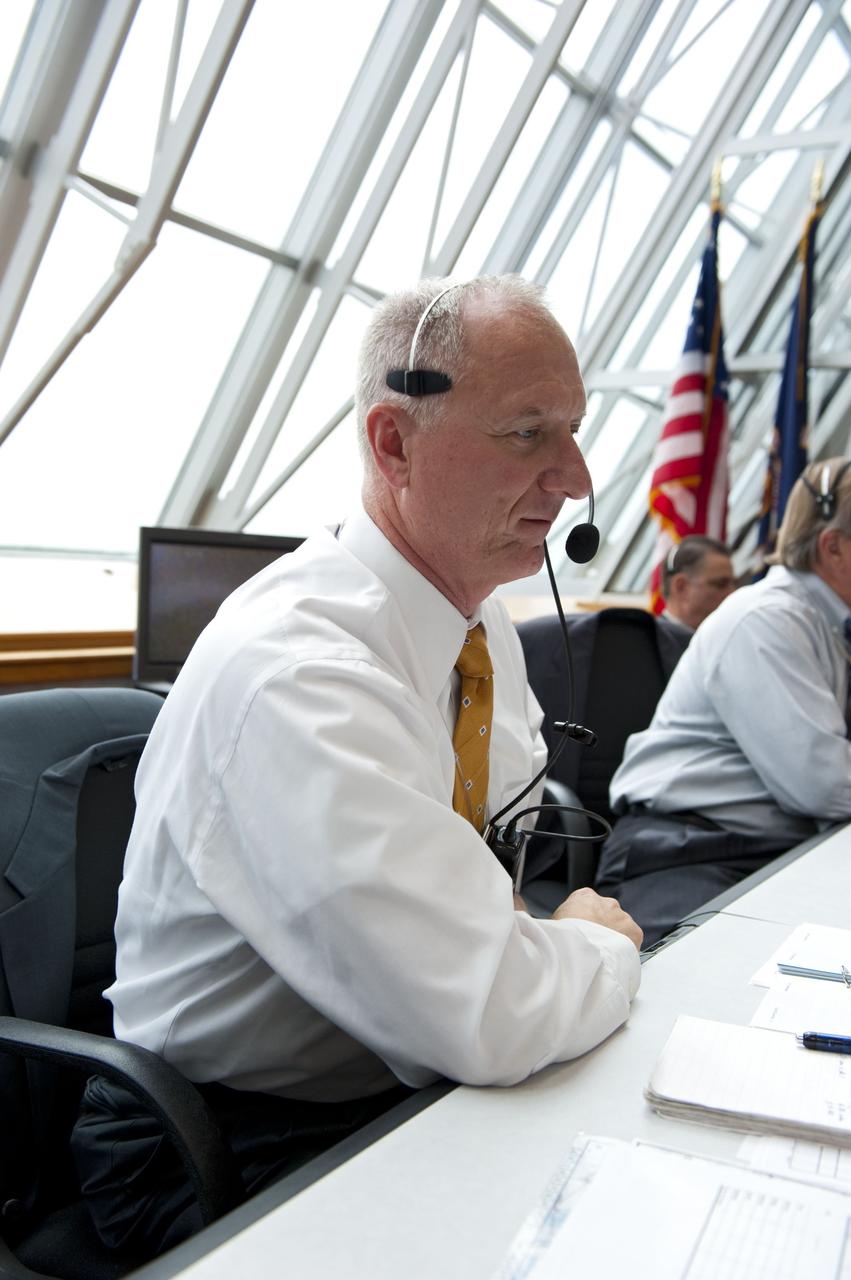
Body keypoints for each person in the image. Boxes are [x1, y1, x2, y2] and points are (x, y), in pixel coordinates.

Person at [72, 276, 642, 1258]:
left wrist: (526, 957)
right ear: (391, 442)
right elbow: (486, 1012)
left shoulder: (479, 635)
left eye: (575, 430)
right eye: (527, 432)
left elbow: (480, 944)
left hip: (392, 1069)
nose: (576, 476)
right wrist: (595, 938)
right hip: (221, 1136)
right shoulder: (299, 674)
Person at [597, 457, 851, 949]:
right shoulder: (767, 621)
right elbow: (824, 785)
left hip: (766, 848)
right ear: (834, 547)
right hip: (687, 852)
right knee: (708, 996)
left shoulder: (827, 625)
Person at [660, 535, 736, 631]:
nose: (733, 593)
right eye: (721, 584)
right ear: (681, 587)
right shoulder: (650, 642)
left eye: (734, 584)